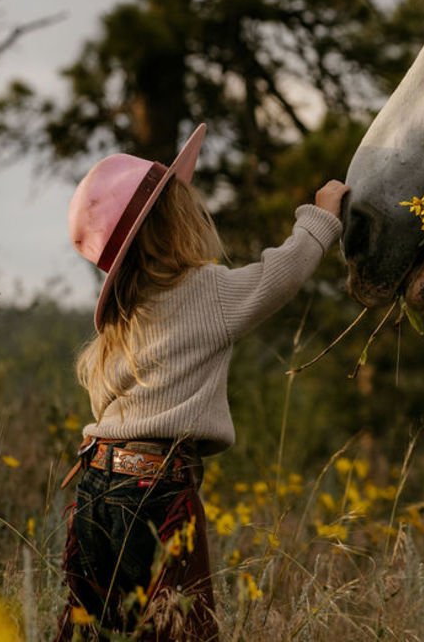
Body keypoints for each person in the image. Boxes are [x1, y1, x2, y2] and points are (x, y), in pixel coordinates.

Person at [55, 124, 347, 641]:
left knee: (98, 632)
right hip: (158, 490)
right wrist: (322, 215)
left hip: (96, 488)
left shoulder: (122, 319)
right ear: (177, 222)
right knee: (178, 630)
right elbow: (279, 275)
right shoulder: (205, 292)